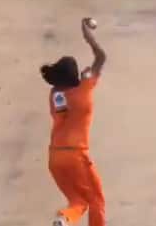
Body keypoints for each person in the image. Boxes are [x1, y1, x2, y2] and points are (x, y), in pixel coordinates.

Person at [40, 19, 107, 226]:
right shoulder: (84, 89)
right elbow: (101, 57)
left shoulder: (55, 94)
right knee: (96, 200)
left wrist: (82, 78)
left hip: (55, 156)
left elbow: (63, 97)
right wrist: (88, 36)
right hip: (76, 155)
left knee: (78, 201)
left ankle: (64, 219)